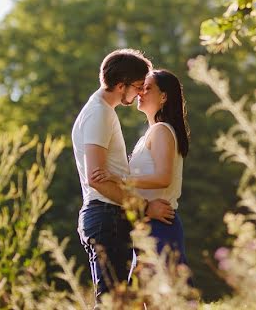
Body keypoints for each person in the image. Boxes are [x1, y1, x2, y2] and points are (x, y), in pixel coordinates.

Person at [72, 49, 175, 306]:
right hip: (107, 217)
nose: (141, 92)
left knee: (121, 302)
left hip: (110, 217)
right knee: (112, 303)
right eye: (139, 86)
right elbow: (97, 179)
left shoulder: (101, 111)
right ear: (121, 85)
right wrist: (145, 207)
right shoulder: (99, 114)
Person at [92, 69, 190, 274]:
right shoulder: (151, 133)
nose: (139, 93)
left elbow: (163, 178)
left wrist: (120, 179)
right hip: (148, 223)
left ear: (163, 96)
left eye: (147, 88)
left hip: (161, 224)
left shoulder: (161, 130)